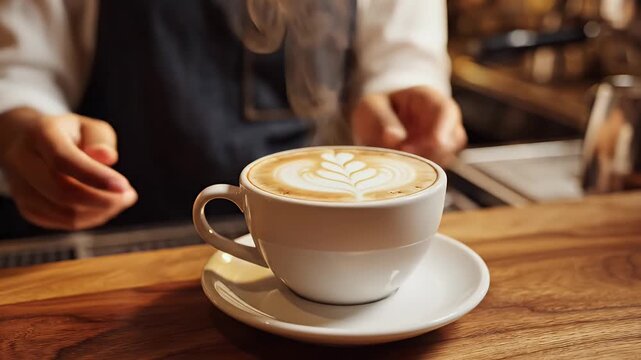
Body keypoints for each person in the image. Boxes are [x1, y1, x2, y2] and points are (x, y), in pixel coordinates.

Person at [0, 0, 466, 238]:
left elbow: (400, 52)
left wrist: (404, 93)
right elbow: (19, 71)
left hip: (330, 233)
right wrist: (23, 130)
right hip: (121, 242)